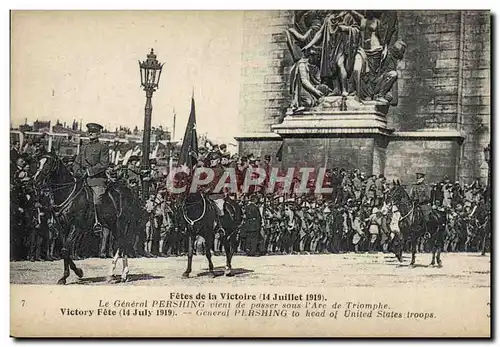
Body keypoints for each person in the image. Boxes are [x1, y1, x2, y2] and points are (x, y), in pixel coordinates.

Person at [73, 123, 109, 232]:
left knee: (97, 200)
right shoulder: (84, 147)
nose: (90, 133)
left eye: (93, 132)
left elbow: (103, 164)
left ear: (98, 134)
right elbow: (76, 162)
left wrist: (88, 172)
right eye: (89, 131)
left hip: (96, 181)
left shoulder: (103, 147)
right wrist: (77, 171)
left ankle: (98, 222)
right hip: (82, 180)